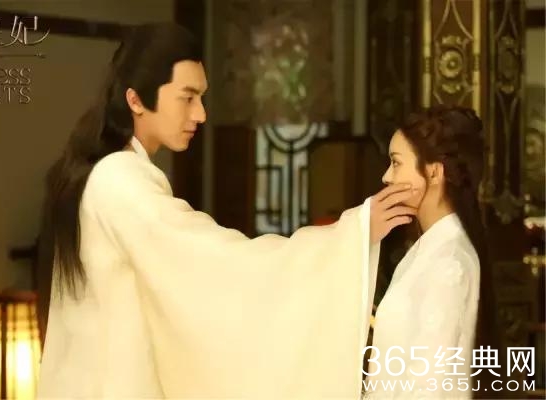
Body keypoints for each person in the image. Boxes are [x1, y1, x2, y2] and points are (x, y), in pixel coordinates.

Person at [36, 23, 416, 399]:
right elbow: (218, 264)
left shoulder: (113, 174)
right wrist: (351, 235)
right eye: (187, 98)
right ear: (136, 100)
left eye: (201, 97)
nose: (201, 114)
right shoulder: (120, 180)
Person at [363, 106, 497, 399]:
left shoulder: (449, 262)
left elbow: (430, 384)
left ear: (434, 172)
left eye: (396, 163)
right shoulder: (427, 249)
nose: (387, 177)